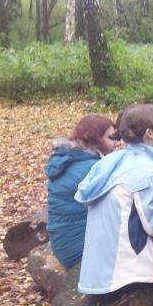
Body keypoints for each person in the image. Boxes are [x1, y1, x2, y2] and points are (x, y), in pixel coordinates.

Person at [74, 104, 153, 295]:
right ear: (149, 133)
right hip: (127, 274)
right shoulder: (147, 172)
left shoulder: (111, 161)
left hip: (99, 271)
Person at [45, 115, 119, 271]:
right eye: (111, 137)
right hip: (80, 249)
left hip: (62, 243)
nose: (117, 142)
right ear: (95, 139)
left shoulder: (68, 158)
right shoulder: (92, 167)